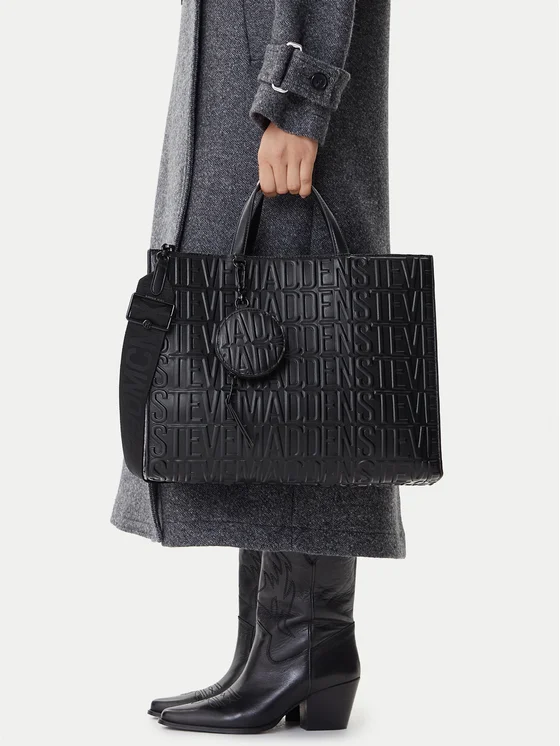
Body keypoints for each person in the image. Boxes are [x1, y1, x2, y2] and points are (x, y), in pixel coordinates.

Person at [111, 0, 405, 733]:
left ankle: (304, 646)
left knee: (303, 353)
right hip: (246, 76)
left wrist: (297, 98)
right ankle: (272, 645)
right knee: (266, 380)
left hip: (276, 90)